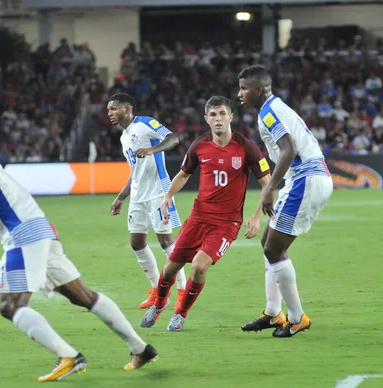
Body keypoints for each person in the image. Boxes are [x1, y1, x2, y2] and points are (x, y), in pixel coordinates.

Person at [0, 105, 158, 382]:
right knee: (83, 296)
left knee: (10, 307)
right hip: (39, 231)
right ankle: (141, 349)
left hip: (24, 237)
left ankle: (68, 356)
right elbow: (6, 210)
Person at [140, 96, 271, 332]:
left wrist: (257, 215)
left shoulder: (246, 147)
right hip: (198, 217)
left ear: (230, 117)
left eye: (222, 113)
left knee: (199, 266)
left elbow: (267, 183)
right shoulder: (199, 145)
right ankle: (159, 304)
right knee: (170, 268)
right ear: (206, 119)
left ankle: (180, 314)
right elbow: (183, 174)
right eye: (213, 114)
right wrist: (167, 196)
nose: (218, 118)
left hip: (226, 223)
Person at [238, 65, 333, 338]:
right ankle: (272, 312)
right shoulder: (276, 107)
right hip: (305, 178)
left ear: (257, 90)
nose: (240, 94)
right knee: (268, 243)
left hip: (305, 179)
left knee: (274, 249)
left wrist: (269, 190)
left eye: (243, 88)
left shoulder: (269, 112)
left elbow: (289, 150)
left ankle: (296, 318)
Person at [107, 93, 187, 310]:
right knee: (137, 242)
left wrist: (152, 149)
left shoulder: (145, 123)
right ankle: (156, 291)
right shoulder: (124, 137)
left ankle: (182, 291)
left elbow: (173, 138)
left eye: (113, 109)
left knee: (166, 242)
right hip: (137, 195)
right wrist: (121, 197)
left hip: (158, 192)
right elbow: (135, 171)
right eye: (108, 110)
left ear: (127, 109)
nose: (110, 114)